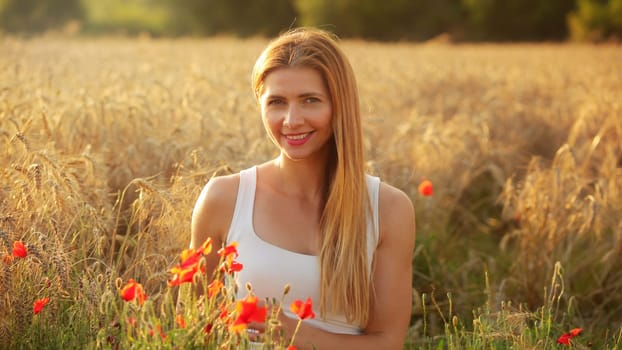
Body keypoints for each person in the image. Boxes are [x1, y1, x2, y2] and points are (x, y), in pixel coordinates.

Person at [189, 27, 415, 349]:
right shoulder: (224, 199)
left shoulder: (388, 209)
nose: (292, 120)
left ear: (340, 105)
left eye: (310, 101)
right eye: (277, 102)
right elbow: (196, 328)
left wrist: (298, 335)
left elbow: (388, 342)